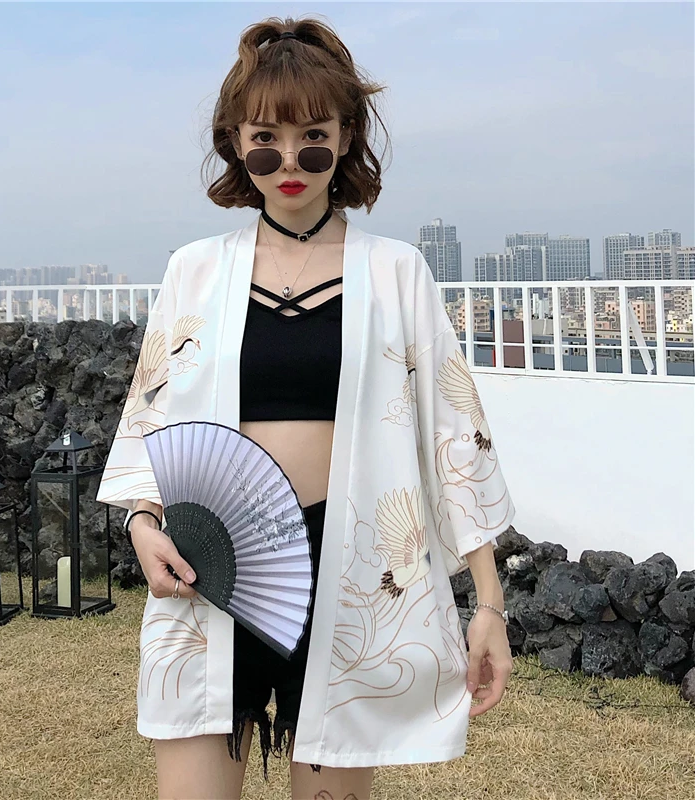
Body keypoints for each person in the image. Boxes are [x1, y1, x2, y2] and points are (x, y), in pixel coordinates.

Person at [97, 15, 515, 800]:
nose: (289, 161)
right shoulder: (194, 273)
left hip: (347, 569)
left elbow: (454, 435)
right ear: (234, 142)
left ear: (346, 138)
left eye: (313, 138)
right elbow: (151, 416)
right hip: (210, 562)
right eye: (266, 139)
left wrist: (488, 604)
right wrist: (143, 525)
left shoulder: (396, 274)